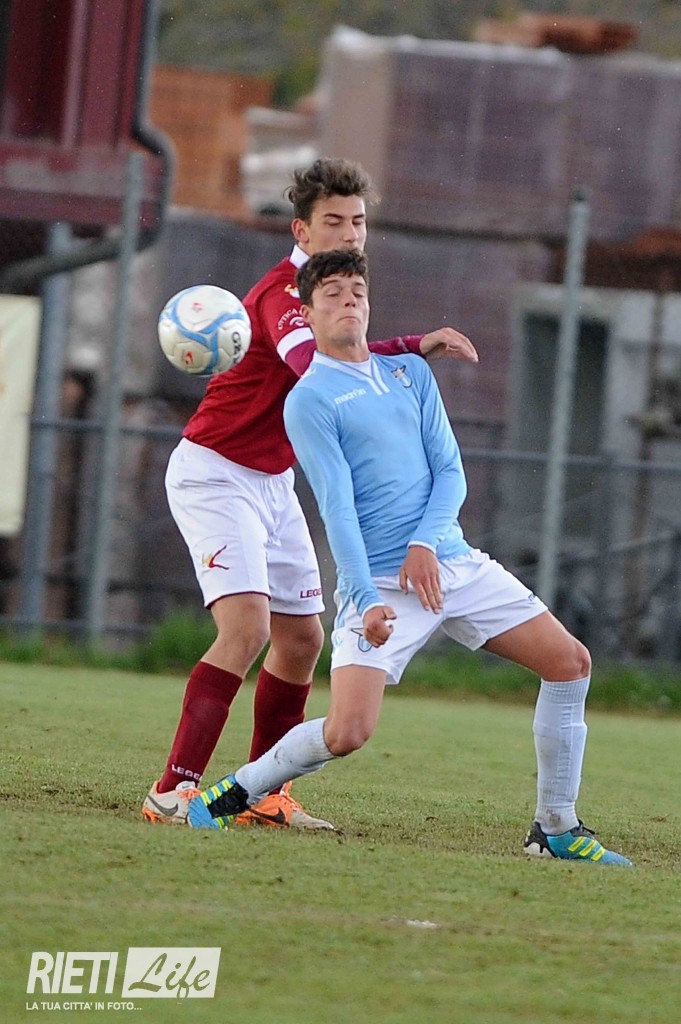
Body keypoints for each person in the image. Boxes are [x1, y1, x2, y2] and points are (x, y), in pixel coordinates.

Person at [186, 249, 632, 867]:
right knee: (347, 732)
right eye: (333, 293)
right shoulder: (308, 400)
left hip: (453, 563)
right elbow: (338, 509)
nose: (348, 300)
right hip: (380, 584)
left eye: (357, 291)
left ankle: (556, 829)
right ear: (307, 313)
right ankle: (234, 793)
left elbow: (450, 471)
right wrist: (365, 598)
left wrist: (425, 544)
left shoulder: (409, 373)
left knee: (570, 662)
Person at [142, 159, 475, 830]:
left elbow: (344, 358)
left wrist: (410, 348)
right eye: (333, 221)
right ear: (301, 229)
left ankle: (265, 793)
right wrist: (411, 346)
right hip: (216, 472)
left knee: (300, 640)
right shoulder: (280, 296)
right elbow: (317, 368)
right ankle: (173, 791)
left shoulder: (332, 295)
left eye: (358, 222)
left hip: (272, 480)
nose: (349, 234)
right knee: (247, 630)